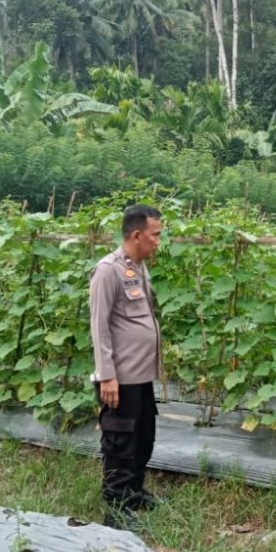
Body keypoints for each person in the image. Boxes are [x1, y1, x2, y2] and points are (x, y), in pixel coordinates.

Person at [90, 204, 164, 528]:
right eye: (155, 235)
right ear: (137, 235)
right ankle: (116, 507)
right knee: (120, 442)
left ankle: (133, 493)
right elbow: (100, 325)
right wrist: (107, 376)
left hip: (140, 374)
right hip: (118, 377)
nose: (158, 242)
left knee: (143, 436)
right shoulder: (108, 270)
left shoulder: (138, 267)